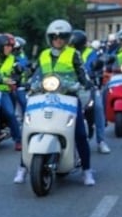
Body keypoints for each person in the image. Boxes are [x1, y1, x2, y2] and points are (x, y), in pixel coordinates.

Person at [14, 19, 95, 186]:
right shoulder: (43, 54)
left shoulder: (74, 54)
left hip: (68, 97)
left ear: (67, 38)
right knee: (29, 128)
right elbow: (35, 72)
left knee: (79, 133)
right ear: (49, 38)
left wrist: (86, 83)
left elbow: (82, 73)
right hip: (44, 97)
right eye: (54, 37)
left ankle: (87, 171)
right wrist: (26, 82)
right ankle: (22, 167)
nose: (58, 40)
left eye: (62, 37)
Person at [70, 29, 110, 154]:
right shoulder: (66, 53)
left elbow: (91, 66)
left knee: (98, 107)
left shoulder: (91, 53)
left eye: (72, 43)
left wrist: (95, 68)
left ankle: (101, 141)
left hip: (87, 86)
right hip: (68, 87)